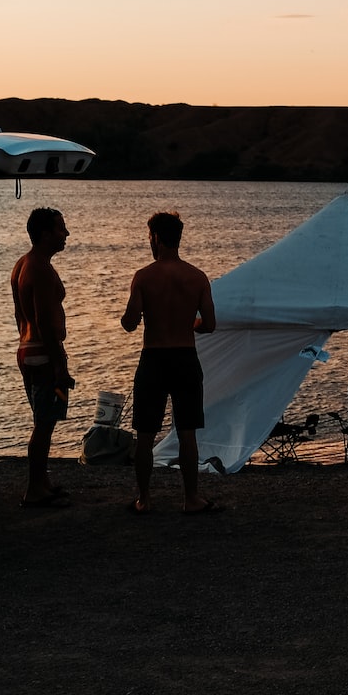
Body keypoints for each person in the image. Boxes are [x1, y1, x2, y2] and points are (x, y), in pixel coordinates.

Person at [121, 211, 220, 514]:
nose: (148, 241)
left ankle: (144, 498)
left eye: (149, 236)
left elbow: (130, 322)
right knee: (187, 432)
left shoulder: (144, 276)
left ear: (158, 239)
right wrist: (190, 325)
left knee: (145, 433)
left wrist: (134, 315)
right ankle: (191, 498)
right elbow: (210, 324)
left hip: (154, 358)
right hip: (185, 358)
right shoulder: (197, 277)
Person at [10, 207, 73, 507]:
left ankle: (42, 481)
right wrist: (59, 363)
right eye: (61, 229)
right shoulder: (41, 269)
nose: (66, 234)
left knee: (42, 419)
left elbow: (19, 316)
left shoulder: (22, 264)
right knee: (45, 423)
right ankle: (34, 488)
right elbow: (46, 322)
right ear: (45, 234)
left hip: (26, 349)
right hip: (43, 353)